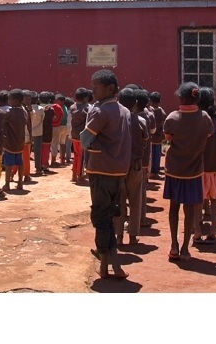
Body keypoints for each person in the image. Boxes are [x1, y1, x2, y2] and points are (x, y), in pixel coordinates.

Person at [80, 69, 131, 279]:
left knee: (101, 218)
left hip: (100, 170)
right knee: (109, 217)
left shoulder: (100, 111)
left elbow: (84, 139)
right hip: (119, 171)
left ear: (110, 88)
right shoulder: (125, 111)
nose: (93, 91)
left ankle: (104, 266)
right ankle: (115, 264)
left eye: (96, 87)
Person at [161, 81, 213, 264]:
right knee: (190, 209)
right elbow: (208, 135)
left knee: (174, 208)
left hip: (174, 169)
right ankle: (185, 248)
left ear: (181, 98)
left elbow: (168, 138)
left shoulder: (173, 118)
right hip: (194, 170)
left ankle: (173, 246)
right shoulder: (205, 117)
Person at [114, 87, 147, 248]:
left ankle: (119, 236)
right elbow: (145, 140)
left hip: (118, 166)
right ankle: (133, 236)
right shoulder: (140, 121)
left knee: (119, 202)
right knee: (135, 201)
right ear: (135, 104)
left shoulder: (116, 120)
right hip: (135, 165)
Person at [195, 88, 216, 244]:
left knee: (197, 199)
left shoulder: (197, 118)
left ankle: (197, 230)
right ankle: (213, 230)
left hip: (199, 165)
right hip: (215, 165)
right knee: (215, 199)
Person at [135, 88, 156, 226]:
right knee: (141, 190)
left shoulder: (126, 116)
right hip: (143, 158)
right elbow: (153, 131)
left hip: (128, 160)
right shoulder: (149, 115)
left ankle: (126, 219)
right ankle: (141, 219)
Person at [2, 89, 29, 192]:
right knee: (20, 162)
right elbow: (26, 122)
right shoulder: (24, 112)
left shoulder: (9, 112)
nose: (8, 101)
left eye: (10, 99)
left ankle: (7, 184)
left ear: (16, 101)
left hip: (10, 142)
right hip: (20, 141)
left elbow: (3, 121)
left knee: (8, 164)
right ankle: (20, 183)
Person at [70, 88, 91, 184]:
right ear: (86, 98)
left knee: (76, 155)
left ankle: (74, 175)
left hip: (74, 134)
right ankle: (80, 176)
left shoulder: (73, 107)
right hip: (83, 135)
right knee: (82, 156)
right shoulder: (87, 108)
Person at [148, 91, 166, 179]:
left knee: (151, 155)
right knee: (157, 155)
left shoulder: (149, 110)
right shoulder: (161, 111)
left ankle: (151, 171)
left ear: (150, 100)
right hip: (158, 137)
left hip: (151, 137)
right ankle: (155, 171)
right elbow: (164, 118)